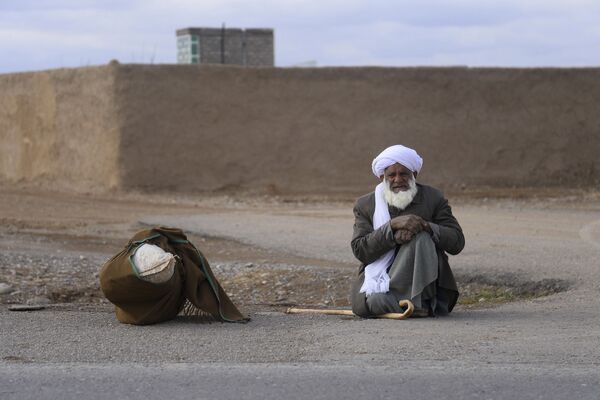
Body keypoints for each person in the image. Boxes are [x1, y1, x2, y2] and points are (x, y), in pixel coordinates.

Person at [350, 144, 465, 318]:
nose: (398, 180)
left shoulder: (433, 198)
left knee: (421, 238)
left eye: (403, 173)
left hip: (427, 286)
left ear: (414, 174)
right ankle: (412, 305)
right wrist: (391, 228)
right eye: (391, 175)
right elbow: (361, 250)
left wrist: (426, 226)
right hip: (386, 282)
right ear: (382, 177)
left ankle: (415, 301)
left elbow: (457, 242)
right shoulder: (366, 205)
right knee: (374, 301)